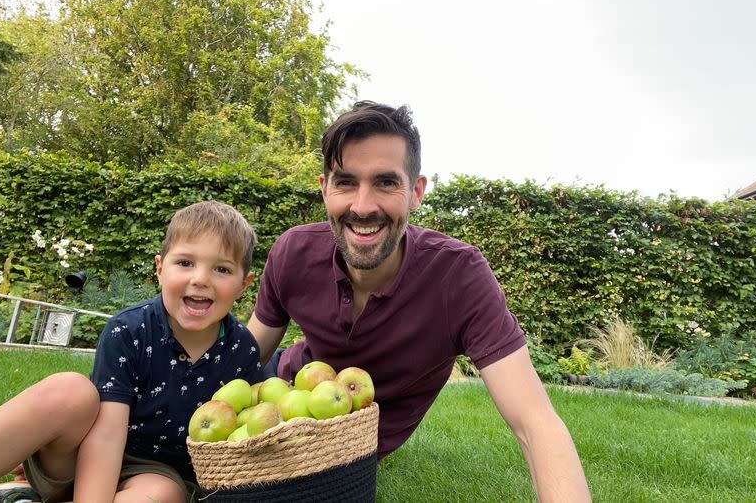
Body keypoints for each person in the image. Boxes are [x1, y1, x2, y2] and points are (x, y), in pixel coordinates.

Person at [248, 101, 592, 502]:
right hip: (284, 385)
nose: (362, 206)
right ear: (325, 189)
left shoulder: (458, 277)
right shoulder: (294, 252)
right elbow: (246, 356)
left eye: (385, 183)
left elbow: (537, 423)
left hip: (352, 443)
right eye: (345, 182)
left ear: (416, 192)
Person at [0, 201, 263, 503]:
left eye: (222, 269)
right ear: (160, 268)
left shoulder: (243, 350)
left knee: (162, 494)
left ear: (243, 285)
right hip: (85, 456)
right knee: (69, 390)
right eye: (185, 263)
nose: (200, 279)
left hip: (154, 474)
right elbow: (105, 436)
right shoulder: (129, 330)